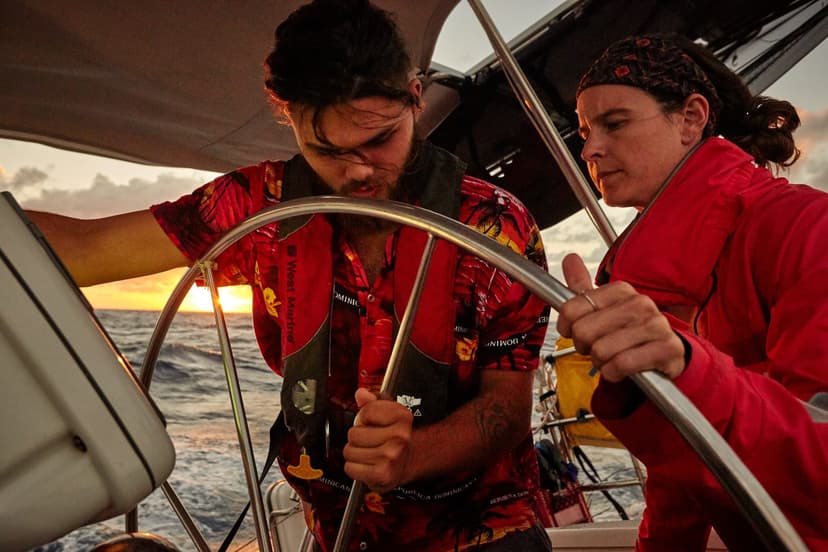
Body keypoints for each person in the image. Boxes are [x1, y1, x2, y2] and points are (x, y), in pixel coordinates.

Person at [27, 1, 554, 551]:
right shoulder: (256, 206)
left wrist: (414, 454)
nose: (357, 172)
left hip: (485, 532)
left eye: (379, 140)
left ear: (415, 98)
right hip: (337, 535)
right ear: (290, 119)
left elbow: (507, 407)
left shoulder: (497, 227)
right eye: (326, 150)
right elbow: (84, 248)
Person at [556, 34, 828, 551]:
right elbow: (681, 469)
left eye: (614, 124)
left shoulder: (808, 228)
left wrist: (689, 370)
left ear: (690, 118)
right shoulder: (664, 274)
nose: (589, 148)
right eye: (586, 132)